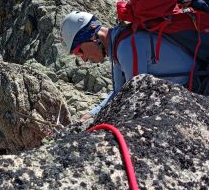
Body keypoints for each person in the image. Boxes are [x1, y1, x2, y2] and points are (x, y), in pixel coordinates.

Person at [60, 11, 194, 117]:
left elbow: (136, 95)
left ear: (91, 37)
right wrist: (91, 114)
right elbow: (119, 92)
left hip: (198, 87)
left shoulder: (126, 46)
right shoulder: (118, 44)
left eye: (79, 51)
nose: (83, 59)